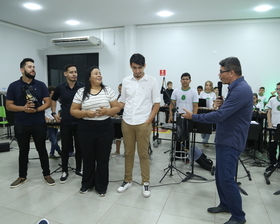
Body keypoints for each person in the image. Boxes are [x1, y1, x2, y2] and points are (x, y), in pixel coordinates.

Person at [182, 57, 252, 224]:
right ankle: (226, 204)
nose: (219, 75)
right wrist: (222, 104)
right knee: (220, 176)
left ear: (232, 72)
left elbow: (220, 116)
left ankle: (238, 216)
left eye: (221, 71)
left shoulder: (241, 89)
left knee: (227, 178)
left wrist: (194, 117)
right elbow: (228, 112)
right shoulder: (234, 88)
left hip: (231, 140)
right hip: (225, 138)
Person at [70, 66, 120, 196]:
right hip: (86, 128)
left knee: (102, 159)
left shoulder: (107, 90)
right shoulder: (81, 92)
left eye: (100, 73)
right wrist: (85, 113)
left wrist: (107, 111)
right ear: (89, 77)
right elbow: (73, 110)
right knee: (88, 158)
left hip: (105, 128)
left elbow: (117, 107)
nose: (99, 75)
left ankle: (101, 186)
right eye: (96, 73)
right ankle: (87, 183)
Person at [6, 58, 55, 188]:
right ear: (22, 70)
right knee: (23, 151)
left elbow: (48, 102)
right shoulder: (14, 86)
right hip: (21, 124)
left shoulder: (40, 85)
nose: (33, 69)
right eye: (29, 67)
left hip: (38, 123)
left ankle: (47, 174)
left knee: (42, 150)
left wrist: (37, 110)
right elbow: (9, 106)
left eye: (33, 67)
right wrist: (24, 108)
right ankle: (22, 176)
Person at [117, 53, 160, 198]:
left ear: (144, 66)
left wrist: (149, 120)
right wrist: (111, 108)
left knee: (143, 154)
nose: (137, 71)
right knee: (128, 153)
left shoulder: (152, 81)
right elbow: (122, 101)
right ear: (130, 66)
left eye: (139, 68)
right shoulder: (126, 81)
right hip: (127, 121)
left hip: (143, 122)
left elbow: (157, 103)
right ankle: (127, 180)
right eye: (134, 68)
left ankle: (145, 182)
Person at [51, 64, 84, 183]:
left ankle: (79, 169)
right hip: (65, 121)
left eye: (75, 72)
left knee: (79, 147)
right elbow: (53, 99)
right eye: (71, 72)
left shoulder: (82, 87)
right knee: (65, 147)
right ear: (65, 74)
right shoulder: (60, 87)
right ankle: (65, 170)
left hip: (79, 121)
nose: (74, 74)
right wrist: (54, 113)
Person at [265, 82, 280, 172]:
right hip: (274, 126)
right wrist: (269, 124)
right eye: (277, 89)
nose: (278, 91)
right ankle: (272, 163)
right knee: (272, 145)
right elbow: (269, 112)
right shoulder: (272, 100)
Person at [45, 86, 61, 159]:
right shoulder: (45, 102)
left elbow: (58, 111)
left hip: (56, 122)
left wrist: (58, 117)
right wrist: (47, 119)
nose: (53, 95)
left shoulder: (57, 102)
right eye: (52, 93)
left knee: (54, 138)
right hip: (49, 122)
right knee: (53, 139)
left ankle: (52, 153)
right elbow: (43, 113)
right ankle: (58, 151)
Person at [199, 81, 216, 147]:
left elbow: (214, 103)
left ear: (211, 86)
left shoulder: (213, 94)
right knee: (202, 126)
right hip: (203, 111)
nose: (208, 86)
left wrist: (214, 107)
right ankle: (204, 138)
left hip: (210, 111)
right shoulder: (202, 93)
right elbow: (199, 102)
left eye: (209, 85)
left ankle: (206, 140)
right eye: (207, 85)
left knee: (208, 126)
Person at [111, 83, 124, 157]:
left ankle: (126, 152)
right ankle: (117, 151)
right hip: (116, 117)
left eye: (121, 89)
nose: (120, 90)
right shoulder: (116, 96)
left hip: (125, 118)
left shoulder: (128, 97)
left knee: (126, 137)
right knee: (117, 136)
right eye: (119, 89)